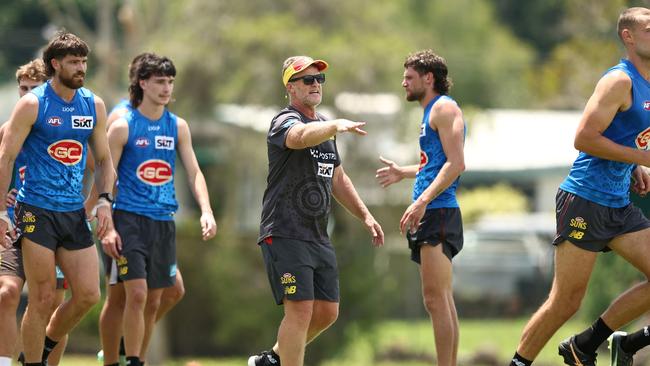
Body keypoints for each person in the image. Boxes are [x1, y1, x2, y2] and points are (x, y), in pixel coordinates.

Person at [507, 7, 650, 366]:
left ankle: (585, 344)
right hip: (584, 199)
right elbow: (584, 138)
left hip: (618, 202)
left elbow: (624, 132)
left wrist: (633, 164)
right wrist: (641, 157)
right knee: (565, 302)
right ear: (628, 37)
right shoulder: (619, 80)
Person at [247, 55, 384, 366]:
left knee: (327, 311)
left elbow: (336, 176)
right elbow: (297, 139)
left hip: (318, 235)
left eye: (319, 79)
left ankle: (271, 360)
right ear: (291, 88)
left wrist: (365, 215)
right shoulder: (285, 121)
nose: (315, 84)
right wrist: (334, 125)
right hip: (284, 230)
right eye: (307, 79)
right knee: (300, 309)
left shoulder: (324, 127)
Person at [0, 31, 119, 365]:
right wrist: (0, 213)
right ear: (55, 64)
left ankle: (46, 344)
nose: (81, 68)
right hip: (35, 209)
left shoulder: (93, 104)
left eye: (83, 61)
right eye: (73, 62)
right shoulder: (32, 104)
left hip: (72, 212)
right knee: (42, 297)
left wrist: (104, 200)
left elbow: (105, 160)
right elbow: (6, 158)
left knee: (88, 295)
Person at [100, 53, 217, 366]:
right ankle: (126, 360)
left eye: (170, 82)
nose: (166, 88)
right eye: (159, 82)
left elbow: (194, 171)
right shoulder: (122, 126)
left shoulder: (178, 127)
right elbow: (105, 178)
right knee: (133, 294)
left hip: (164, 223)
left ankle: (130, 349)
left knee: (154, 299)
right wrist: (107, 223)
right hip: (128, 220)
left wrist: (206, 209)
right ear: (142, 83)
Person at [375, 49, 465, 366]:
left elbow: (457, 164)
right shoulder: (430, 112)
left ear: (429, 78)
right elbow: (436, 164)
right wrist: (405, 172)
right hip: (434, 210)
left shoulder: (444, 109)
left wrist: (422, 201)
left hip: (438, 211)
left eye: (409, 77)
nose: (404, 83)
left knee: (435, 299)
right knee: (440, 299)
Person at [0, 59, 69, 366]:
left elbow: (95, 165)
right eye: (22, 89)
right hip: (15, 225)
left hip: (52, 225)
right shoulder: (8, 130)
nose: (27, 95)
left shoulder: (61, 129)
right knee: (7, 293)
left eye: (33, 88)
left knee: (51, 306)